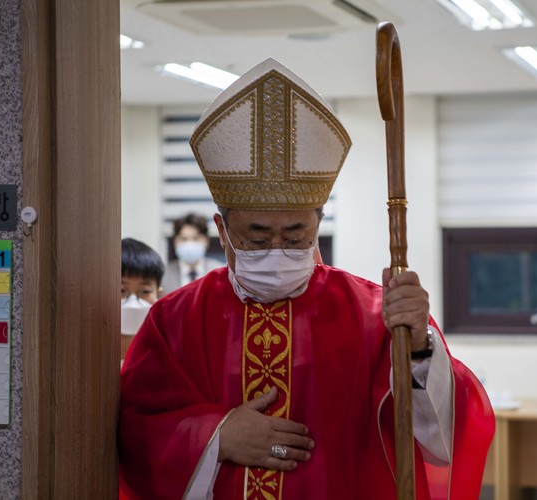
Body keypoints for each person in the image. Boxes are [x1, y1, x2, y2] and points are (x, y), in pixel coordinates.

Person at [119, 58, 494, 499]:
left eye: (296, 235)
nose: (278, 249)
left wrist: (416, 347)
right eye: (258, 237)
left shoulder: (374, 315)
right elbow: (134, 428)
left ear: (317, 225)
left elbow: (443, 433)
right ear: (221, 230)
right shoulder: (174, 320)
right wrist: (216, 437)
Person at [120, 237, 165, 361]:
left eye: (145, 292)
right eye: (122, 291)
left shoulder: (166, 344)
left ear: (158, 295)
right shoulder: (92, 342)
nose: (133, 303)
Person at [161, 213, 225, 293]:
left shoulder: (220, 273)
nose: (189, 243)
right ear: (175, 242)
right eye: (183, 239)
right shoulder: (163, 276)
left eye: (195, 238)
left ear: (206, 240)